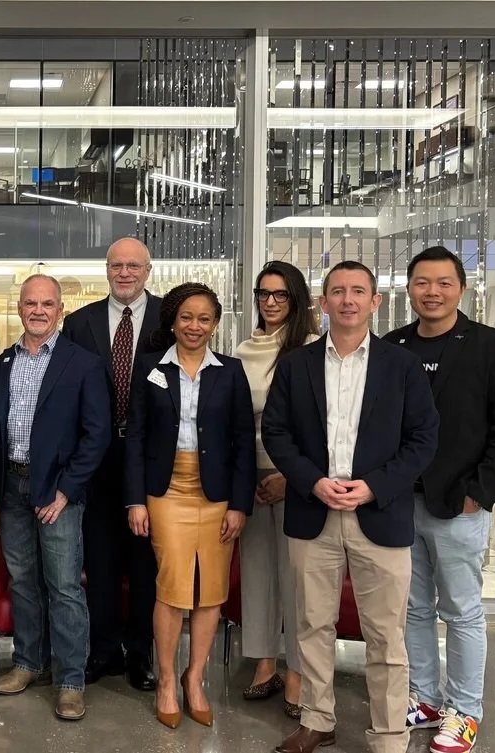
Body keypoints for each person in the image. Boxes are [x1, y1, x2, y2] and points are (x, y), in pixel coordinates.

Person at [262, 261, 439, 753]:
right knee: (311, 624)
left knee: (386, 633)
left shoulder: (400, 366)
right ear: (323, 303)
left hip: (379, 513)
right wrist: (313, 482)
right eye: (337, 291)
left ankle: (388, 734)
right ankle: (317, 718)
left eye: (358, 291)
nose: (347, 300)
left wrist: (374, 486)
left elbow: (423, 439)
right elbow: (275, 431)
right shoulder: (296, 364)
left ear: (375, 302)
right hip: (312, 510)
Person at [383, 247, 495, 753]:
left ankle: (465, 711)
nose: (432, 292)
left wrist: (481, 492)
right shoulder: (393, 346)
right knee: (415, 608)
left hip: (459, 502)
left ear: (461, 289)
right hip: (400, 502)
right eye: (422, 282)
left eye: (443, 283)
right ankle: (424, 697)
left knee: (462, 610)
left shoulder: (491, 347)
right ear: (409, 289)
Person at [0, 274, 110, 722]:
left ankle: (70, 680)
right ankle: (29, 663)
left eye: (47, 304)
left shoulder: (83, 364)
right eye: (30, 303)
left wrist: (66, 490)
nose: (38, 310)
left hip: (57, 493)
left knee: (65, 587)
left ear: (60, 311)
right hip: (10, 488)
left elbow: (97, 436)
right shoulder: (2, 365)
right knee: (23, 582)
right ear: (19, 308)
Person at [125, 282, 255, 730]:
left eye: (204, 319)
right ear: (173, 321)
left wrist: (239, 504)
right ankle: (165, 680)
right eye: (186, 317)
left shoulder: (231, 372)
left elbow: (242, 443)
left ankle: (194, 678)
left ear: (215, 324)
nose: (194, 326)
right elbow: (136, 437)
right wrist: (135, 500)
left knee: (212, 588)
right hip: (166, 491)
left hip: (216, 494)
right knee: (173, 585)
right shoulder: (150, 368)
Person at [61, 237, 160, 692]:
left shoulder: (168, 319)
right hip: (94, 460)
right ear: (106, 270)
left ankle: (140, 655)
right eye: (116, 265)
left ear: (147, 270)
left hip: (150, 458)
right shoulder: (78, 323)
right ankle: (102, 651)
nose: (124, 273)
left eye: (132, 266)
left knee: (144, 563)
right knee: (98, 560)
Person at [234, 262, 321, 717]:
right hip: (251, 477)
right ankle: (264, 662)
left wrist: (292, 478)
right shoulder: (244, 350)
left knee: (298, 580)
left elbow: (321, 426)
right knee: (258, 571)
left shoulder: (310, 350)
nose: (270, 302)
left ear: (297, 299)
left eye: (280, 294)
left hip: (298, 479)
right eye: (264, 293)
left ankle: (298, 671)